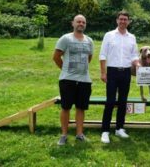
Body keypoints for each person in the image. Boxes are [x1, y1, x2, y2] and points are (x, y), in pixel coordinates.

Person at [99, 11, 140, 143]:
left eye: (125, 19)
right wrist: (103, 72)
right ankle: (105, 131)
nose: (123, 21)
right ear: (117, 20)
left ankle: (119, 128)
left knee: (123, 101)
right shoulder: (109, 35)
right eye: (121, 19)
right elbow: (103, 55)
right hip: (112, 72)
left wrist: (137, 64)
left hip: (126, 72)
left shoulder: (132, 37)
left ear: (128, 22)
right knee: (110, 101)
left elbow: (134, 55)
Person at [53, 14, 94, 145]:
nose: (81, 24)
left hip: (84, 80)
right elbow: (56, 57)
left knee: (81, 108)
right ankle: (64, 135)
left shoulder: (89, 41)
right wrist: (65, 70)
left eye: (83, 22)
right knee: (66, 107)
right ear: (73, 23)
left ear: (85, 25)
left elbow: (89, 58)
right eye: (78, 22)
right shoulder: (65, 39)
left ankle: (79, 134)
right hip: (67, 80)